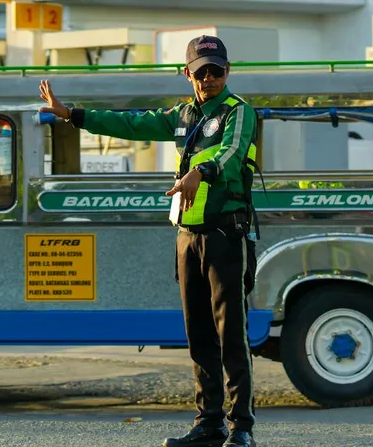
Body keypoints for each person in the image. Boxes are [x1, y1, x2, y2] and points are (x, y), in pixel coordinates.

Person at [39, 35, 259, 447]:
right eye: (201, 71)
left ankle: (241, 426)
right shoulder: (182, 115)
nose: (210, 79)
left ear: (228, 71)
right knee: (198, 334)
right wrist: (73, 115)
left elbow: (231, 152)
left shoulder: (238, 112)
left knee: (232, 333)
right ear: (187, 73)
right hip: (187, 237)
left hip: (226, 235)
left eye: (217, 71)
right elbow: (131, 123)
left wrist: (200, 171)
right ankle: (208, 423)